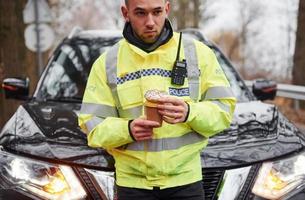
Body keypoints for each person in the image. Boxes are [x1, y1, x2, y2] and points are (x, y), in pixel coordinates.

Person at [78, 0, 236, 199]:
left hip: (186, 182)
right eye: (141, 13)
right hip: (132, 184)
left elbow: (223, 109)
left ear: (167, 9)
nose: (150, 22)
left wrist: (190, 112)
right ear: (125, 13)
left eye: (157, 12)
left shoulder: (197, 54)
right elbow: (92, 125)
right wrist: (127, 130)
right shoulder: (107, 63)